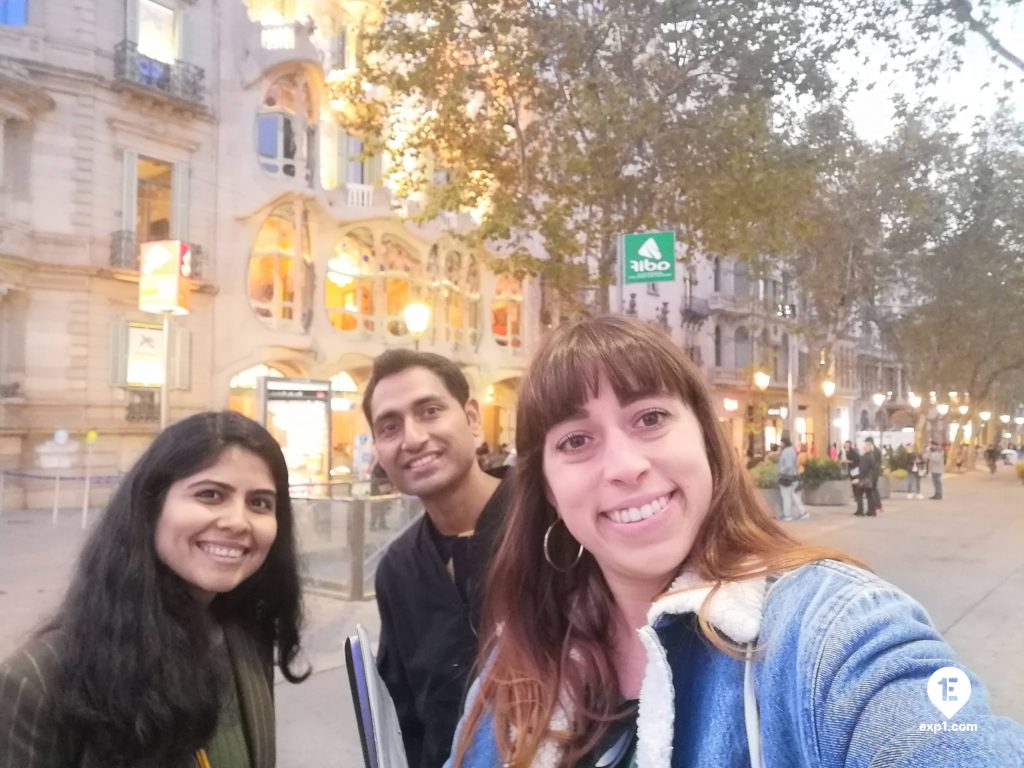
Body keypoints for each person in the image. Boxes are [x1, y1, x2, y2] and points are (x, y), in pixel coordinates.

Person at [444, 315, 1024, 767]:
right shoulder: (517, 659)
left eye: (649, 418)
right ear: (544, 485)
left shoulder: (830, 630)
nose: (623, 466)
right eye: (575, 441)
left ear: (707, 440)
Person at [0, 411, 308, 767]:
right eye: (210, 495)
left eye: (259, 503)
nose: (238, 522)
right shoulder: (37, 682)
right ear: (151, 507)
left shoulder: (244, 638)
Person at [363, 349, 512, 768]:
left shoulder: (551, 526)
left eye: (429, 411)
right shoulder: (398, 569)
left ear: (473, 419)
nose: (412, 438)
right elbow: (405, 711)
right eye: (389, 427)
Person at [777, 435, 809, 521]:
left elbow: (788, 465)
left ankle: (787, 515)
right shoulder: (792, 451)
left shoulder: (787, 452)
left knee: (786, 496)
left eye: (781, 443)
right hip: (793, 476)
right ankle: (803, 512)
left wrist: (781, 471)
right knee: (792, 495)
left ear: (784, 443)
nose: (780, 445)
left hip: (786, 477)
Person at [857, 437, 881, 516]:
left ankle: (860, 511)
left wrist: (859, 478)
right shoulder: (872, 456)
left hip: (864, 479)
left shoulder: (864, 457)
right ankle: (872, 511)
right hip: (870, 478)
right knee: (869, 495)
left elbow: (863, 469)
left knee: (859, 494)